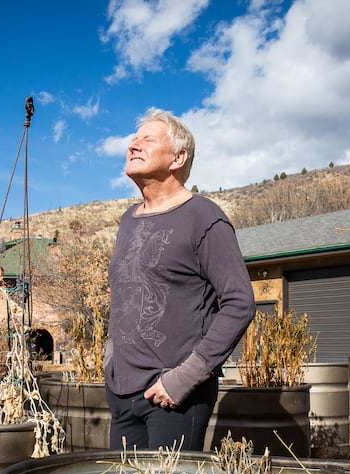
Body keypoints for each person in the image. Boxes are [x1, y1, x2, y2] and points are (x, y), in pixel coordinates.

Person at [103, 107, 255, 451]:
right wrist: (110, 358)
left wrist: (184, 378)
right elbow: (124, 296)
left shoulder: (204, 217)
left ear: (178, 157)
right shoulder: (128, 220)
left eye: (147, 139)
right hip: (122, 392)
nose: (133, 145)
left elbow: (239, 303)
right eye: (133, 139)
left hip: (172, 397)